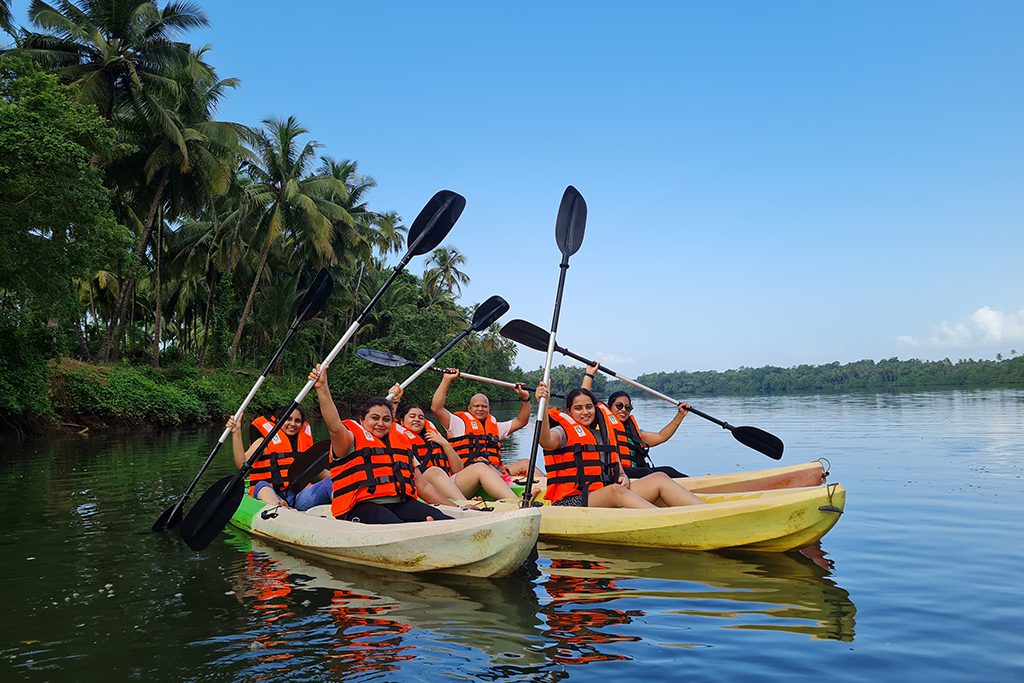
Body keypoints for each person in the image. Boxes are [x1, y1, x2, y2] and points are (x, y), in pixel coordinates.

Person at [310, 363, 453, 524]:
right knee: (396, 526)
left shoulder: (401, 443)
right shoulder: (349, 440)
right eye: (375, 418)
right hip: (362, 506)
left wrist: (456, 508)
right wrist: (322, 388)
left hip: (399, 503)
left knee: (445, 520)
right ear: (362, 420)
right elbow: (334, 426)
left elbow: (423, 486)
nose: (381, 423)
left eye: (386, 419)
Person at [535, 382, 704, 508]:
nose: (585, 412)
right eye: (578, 408)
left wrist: (623, 477)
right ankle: (669, 521)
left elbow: (620, 472)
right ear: (569, 412)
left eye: (589, 407)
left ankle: (705, 511)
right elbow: (546, 441)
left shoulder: (604, 435)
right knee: (616, 491)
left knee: (659, 477)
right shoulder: (562, 431)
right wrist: (543, 405)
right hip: (571, 502)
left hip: (604, 493)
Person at [431, 368, 542, 480]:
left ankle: (549, 492)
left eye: (484, 406)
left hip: (495, 471)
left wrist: (525, 398)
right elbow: (436, 408)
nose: (480, 409)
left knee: (526, 464)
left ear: (489, 409)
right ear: (469, 408)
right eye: (476, 406)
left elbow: (521, 421)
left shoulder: (495, 427)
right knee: (482, 466)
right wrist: (446, 380)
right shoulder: (458, 423)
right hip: (468, 474)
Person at [581, 363, 689, 478]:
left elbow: (661, 436)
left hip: (636, 473)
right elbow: (583, 399)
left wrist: (680, 415)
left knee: (668, 470)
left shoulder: (633, 431)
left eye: (628, 407)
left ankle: (696, 484)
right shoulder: (599, 423)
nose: (623, 410)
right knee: (648, 473)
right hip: (614, 474)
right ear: (610, 407)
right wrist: (589, 374)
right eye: (619, 406)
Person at [396, 402, 518, 501]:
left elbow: (458, 470)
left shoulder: (434, 438)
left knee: (480, 466)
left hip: (449, 486)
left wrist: (445, 444)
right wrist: (395, 402)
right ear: (401, 421)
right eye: (412, 416)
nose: (417, 420)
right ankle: (466, 505)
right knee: (434, 471)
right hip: (423, 489)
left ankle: (517, 502)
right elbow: (386, 423)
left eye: (421, 417)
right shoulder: (396, 436)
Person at [227, 405, 332, 510]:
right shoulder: (264, 441)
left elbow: (319, 472)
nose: (292, 424)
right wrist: (236, 433)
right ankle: (278, 506)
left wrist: (342, 477)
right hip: (271, 493)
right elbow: (241, 464)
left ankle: (344, 509)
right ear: (279, 420)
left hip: (298, 496)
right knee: (262, 486)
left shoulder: (303, 444)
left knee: (331, 482)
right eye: (288, 419)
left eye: (297, 421)